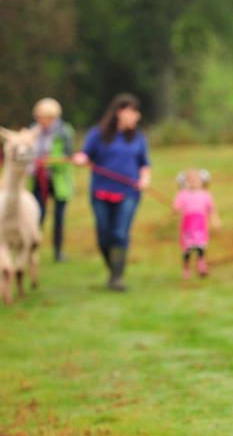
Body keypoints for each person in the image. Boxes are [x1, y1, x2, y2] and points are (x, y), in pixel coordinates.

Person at [73, 93, 151, 291]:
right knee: (103, 236)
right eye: (132, 111)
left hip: (128, 193)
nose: (136, 116)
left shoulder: (138, 139)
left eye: (137, 112)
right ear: (119, 112)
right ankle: (113, 268)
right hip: (101, 192)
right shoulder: (97, 135)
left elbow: (144, 164)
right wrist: (81, 158)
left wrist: (144, 179)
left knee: (120, 233)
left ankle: (117, 277)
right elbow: (85, 154)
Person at [29, 98, 75, 261]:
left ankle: (58, 251)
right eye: (38, 117)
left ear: (53, 117)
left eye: (44, 117)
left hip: (59, 180)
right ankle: (32, 249)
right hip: (38, 179)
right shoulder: (32, 131)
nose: (41, 120)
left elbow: (68, 156)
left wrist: (50, 161)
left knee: (59, 217)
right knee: (36, 215)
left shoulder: (64, 132)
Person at [173, 169, 220, 279]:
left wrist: (215, 220)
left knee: (200, 246)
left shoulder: (206, 195)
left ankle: (201, 264)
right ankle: (186, 268)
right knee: (187, 248)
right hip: (187, 225)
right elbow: (176, 208)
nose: (193, 182)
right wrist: (176, 209)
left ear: (202, 181)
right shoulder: (182, 195)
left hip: (200, 225)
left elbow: (211, 210)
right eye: (190, 180)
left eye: (196, 179)